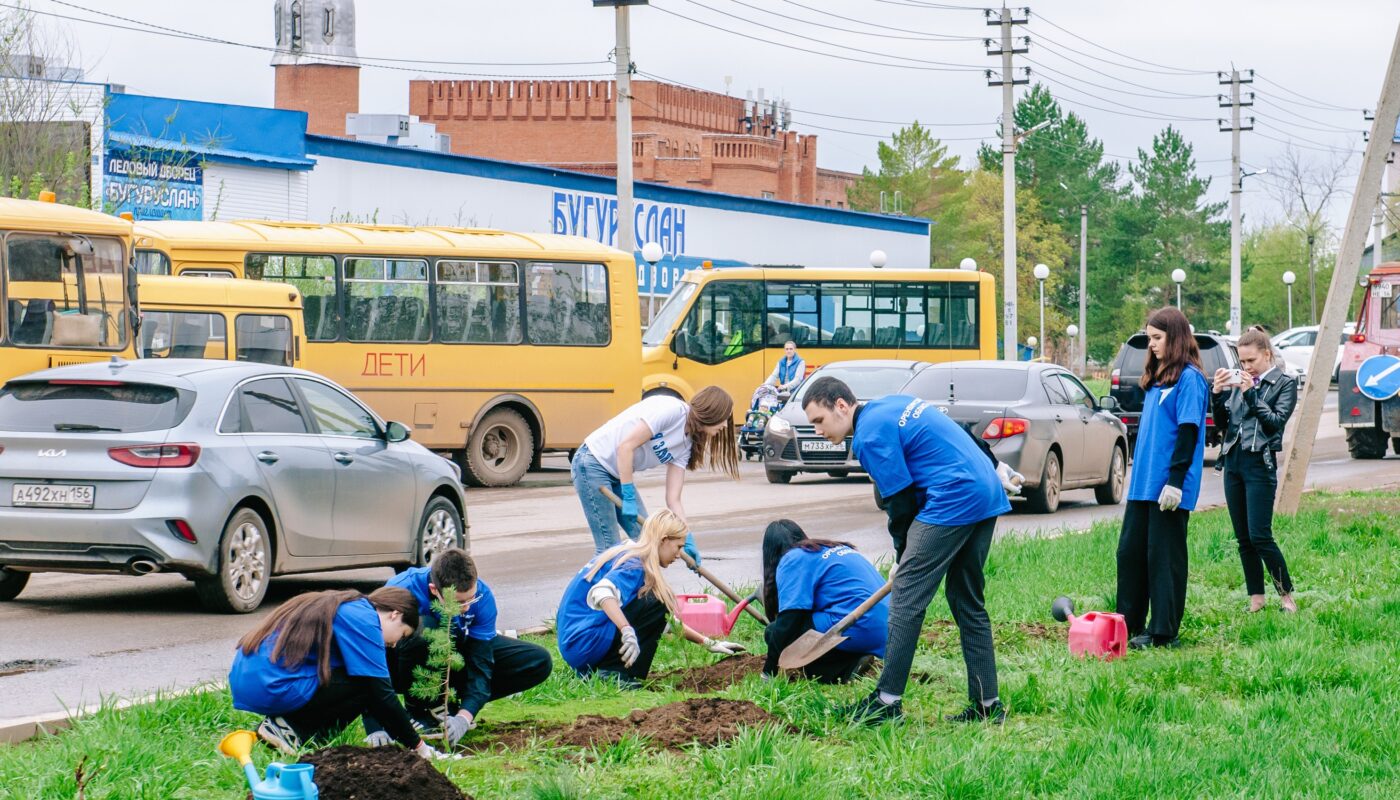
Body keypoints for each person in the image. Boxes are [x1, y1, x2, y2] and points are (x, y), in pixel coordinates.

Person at [801, 377, 1023, 725]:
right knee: (967, 600)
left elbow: (900, 502)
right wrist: (994, 465)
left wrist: (903, 559)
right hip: (985, 492)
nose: (818, 431)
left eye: (819, 420)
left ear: (841, 406)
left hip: (954, 497)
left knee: (905, 600)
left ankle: (887, 702)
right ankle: (986, 704)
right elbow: (962, 431)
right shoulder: (891, 404)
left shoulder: (868, 436)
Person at [228, 587, 444, 759]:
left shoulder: (346, 605)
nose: (395, 644)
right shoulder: (365, 619)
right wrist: (419, 747)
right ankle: (289, 729)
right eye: (402, 635)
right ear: (395, 615)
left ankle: (302, 735)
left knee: (362, 679)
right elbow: (382, 693)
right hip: (270, 685)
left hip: (248, 678)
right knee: (367, 686)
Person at [378, 548, 553, 747]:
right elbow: (371, 654)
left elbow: (481, 660)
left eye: (472, 598)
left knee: (537, 660)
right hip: (402, 666)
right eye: (460, 602)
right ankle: (419, 710)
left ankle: (450, 705)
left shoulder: (482, 596)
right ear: (435, 590)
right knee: (426, 629)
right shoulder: (402, 589)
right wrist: (374, 723)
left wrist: (465, 716)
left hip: (456, 658)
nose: (468, 607)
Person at [556, 509, 745, 686]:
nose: (679, 555)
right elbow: (602, 592)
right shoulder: (634, 564)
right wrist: (626, 630)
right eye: (678, 546)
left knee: (656, 604)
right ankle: (611, 673)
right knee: (657, 601)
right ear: (664, 540)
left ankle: (599, 670)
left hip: (578, 643)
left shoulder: (630, 550)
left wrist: (708, 643)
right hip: (583, 643)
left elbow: (663, 621)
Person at [1117, 306, 1209, 649]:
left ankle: (1163, 632)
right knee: (1130, 554)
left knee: (1164, 558)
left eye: (1157, 338)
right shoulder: (1158, 380)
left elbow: (1187, 433)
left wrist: (1175, 480)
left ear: (1175, 337)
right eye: (1150, 338)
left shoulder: (1190, 378)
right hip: (1142, 486)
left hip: (1168, 486)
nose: (1152, 345)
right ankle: (1127, 624)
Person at [571, 386, 739, 556]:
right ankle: (592, 583)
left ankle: (641, 583)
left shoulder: (686, 444)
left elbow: (673, 500)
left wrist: (686, 537)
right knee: (608, 548)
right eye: (724, 418)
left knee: (647, 543)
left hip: (617, 474)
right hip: (592, 462)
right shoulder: (673, 410)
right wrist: (628, 494)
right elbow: (625, 447)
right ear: (712, 411)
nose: (725, 425)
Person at [1213, 325, 1299, 614]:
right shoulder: (1241, 382)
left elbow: (1275, 422)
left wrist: (1251, 394)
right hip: (1233, 461)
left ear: (1267, 354)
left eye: (1251, 361)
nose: (1246, 366)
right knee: (1243, 539)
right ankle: (1256, 598)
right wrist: (1217, 394)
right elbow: (1224, 424)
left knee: (1260, 535)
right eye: (1242, 361)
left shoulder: (1285, 383)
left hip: (1260, 463)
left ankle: (1286, 595)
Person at [760, 519, 889, 684]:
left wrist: (768, 671)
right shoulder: (832, 547)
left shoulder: (793, 558)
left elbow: (789, 621)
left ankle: (847, 667)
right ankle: (857, 655)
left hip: (861, 624)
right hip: (890, 627)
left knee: (774, 632)